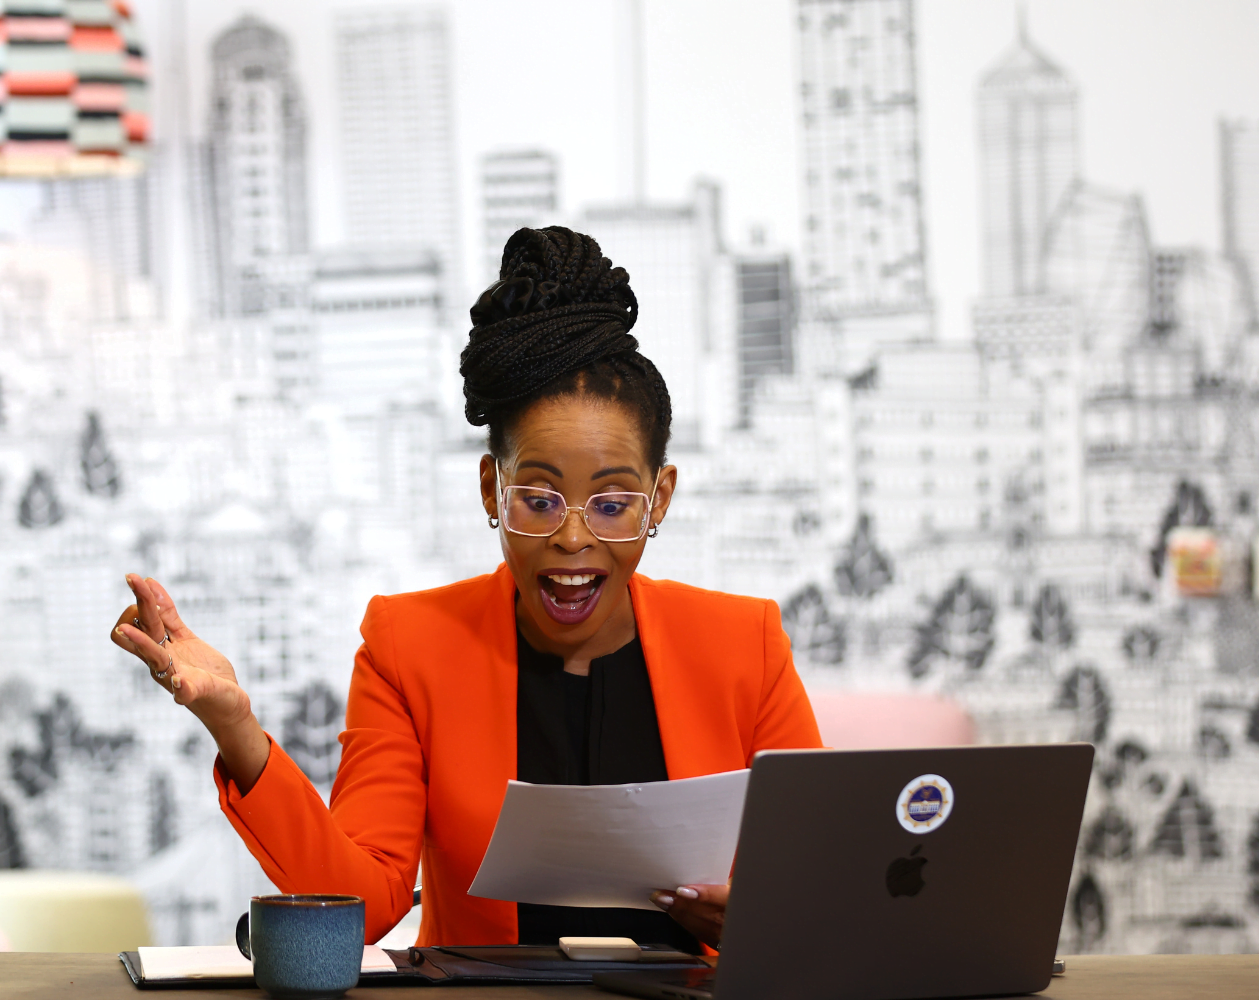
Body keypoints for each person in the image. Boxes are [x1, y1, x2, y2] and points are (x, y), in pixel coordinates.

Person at [110, 227, 822, 950]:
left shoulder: (745, 645)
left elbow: (826, 890)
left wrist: (761, 916)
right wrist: (237, 730)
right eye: (538, 499)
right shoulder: (408, 646)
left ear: (660, 499)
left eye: (612, 505)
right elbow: (364, 901)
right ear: (492, 488)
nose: (572, 539)